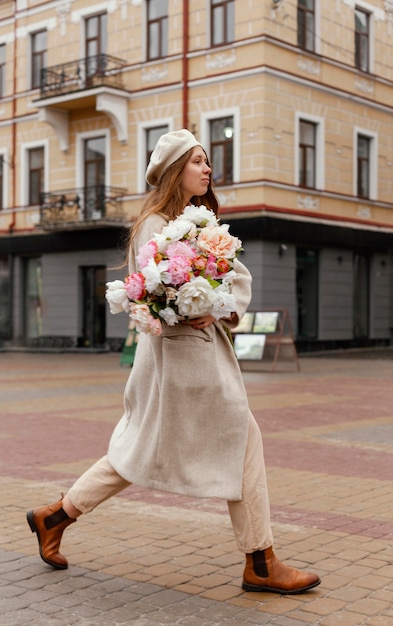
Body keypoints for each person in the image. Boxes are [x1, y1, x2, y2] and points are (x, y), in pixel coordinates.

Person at [27, 129, 321, 595]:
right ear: (174, 171)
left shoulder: (200, 221)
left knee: (139, 450)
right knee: (239, 440)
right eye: (199, 161)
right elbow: (154, 291)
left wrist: (217, 303)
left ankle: (55, 515)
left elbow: (236, 278)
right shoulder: (153, 224)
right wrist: (195, 302)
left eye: (207, 162)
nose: (208, 169)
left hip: (194, 356)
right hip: (181, 361)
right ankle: (260, 563)